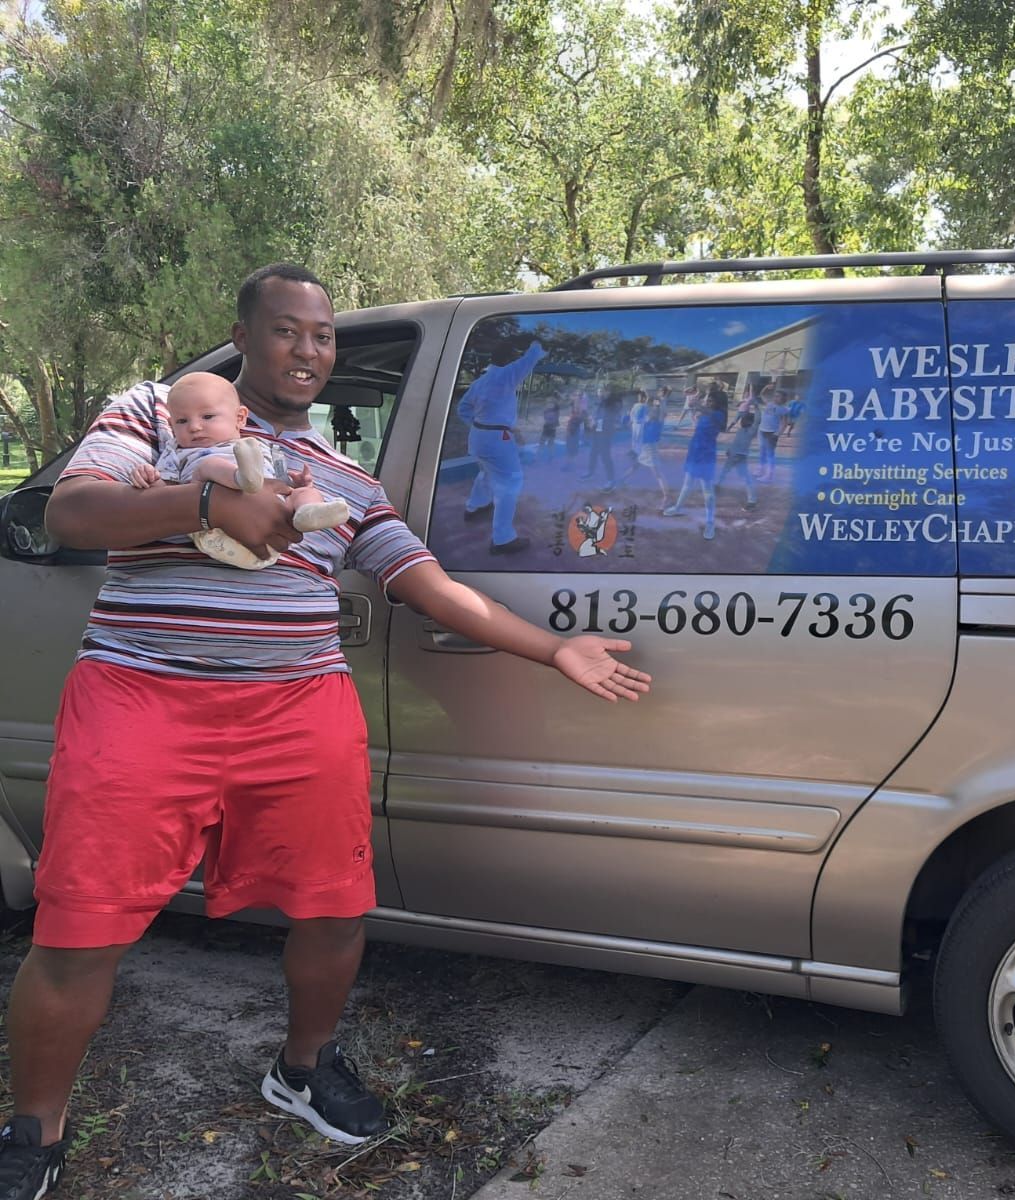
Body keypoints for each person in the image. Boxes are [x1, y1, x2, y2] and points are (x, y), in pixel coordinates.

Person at [0, 264, 651, 1200]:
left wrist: (553, 651)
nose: (307, 351)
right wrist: (204, 505)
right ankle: (37, 1125)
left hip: (298, 709)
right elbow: (72, 511)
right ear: (244, 333)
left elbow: (426, 582)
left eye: (322, 335)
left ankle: (302, 1069)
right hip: (142, 699)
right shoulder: (162, 411)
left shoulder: (344, 479)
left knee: (335, 906)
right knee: (79, 924)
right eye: (286, 331)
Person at [131, 371, 349, 570]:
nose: (194, 427)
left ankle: (309, 514)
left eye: (207, 417)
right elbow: (164, 490)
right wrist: (149, 477)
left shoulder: (257, 447)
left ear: (240, 418)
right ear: (171, 426)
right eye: (182, 421)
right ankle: (241, 478)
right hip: (214, 533)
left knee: (305, 493)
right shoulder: (178, 452)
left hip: (275, 536)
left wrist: (297, 485)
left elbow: (280, 485)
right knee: (208, 465)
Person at [457, 337, 547, 555]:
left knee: (486, 472)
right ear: (508, 359)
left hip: (478, 435)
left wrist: (478, 425)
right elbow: (530, 358)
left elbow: (462, 408)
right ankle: (502, 538)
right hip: (498, 437)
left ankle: (474, 506)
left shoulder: (479, 382)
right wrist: (537, 344)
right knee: (511, 482)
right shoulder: (508, 375)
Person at [664, 381, 729, 539]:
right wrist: (700, 401)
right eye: (708, 400)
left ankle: (710, 522)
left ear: (718, 403)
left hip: (706, 455)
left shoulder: (718, 415)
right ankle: (678, 507)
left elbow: (710, 414)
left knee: (707, 491)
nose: (708, 402)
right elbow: (703, 410)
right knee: (687, 484)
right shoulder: (706, 412)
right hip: (694, 450)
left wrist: (699, 405)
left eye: (711, 400)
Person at [714, 409, 759, 510]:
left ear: (751, 422)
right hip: (733, 455)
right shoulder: (741, 430)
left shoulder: (751, 431)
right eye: (743, 419)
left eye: (745, 420)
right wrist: (730, 449)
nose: (742, 421)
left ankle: (752, 501)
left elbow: (757, 421)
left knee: (745, 478)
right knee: (724, 471)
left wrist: (757, 406)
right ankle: (718, 485)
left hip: (740, 456)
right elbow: (736, 442)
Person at [756, 383, 784, 481]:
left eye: (778, 396)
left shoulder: (783, 409)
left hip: (771, 434)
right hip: (762, 431)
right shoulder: (769, 404)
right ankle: (760, 470)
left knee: (769, 454)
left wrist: (777, 434)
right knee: (762, 452)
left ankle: (769, 475)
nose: (775, 397)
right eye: (775, 396)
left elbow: (784, 423)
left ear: (783, 399)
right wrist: (766, 387)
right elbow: (761, 395)